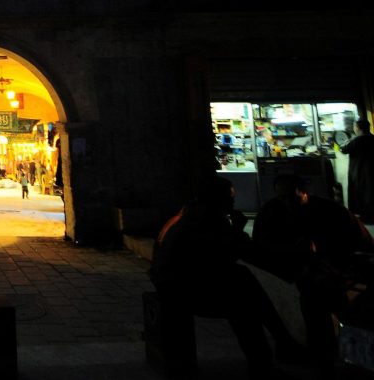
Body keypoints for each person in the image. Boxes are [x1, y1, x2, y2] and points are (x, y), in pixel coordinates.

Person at [150, 176, 308, 377]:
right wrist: (237, 229)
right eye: (229, 197)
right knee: (243, 301)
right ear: (217, 198)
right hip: (181, 289)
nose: (233, 202)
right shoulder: (207, 219)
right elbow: (239, 252)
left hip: (174, 283)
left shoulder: (188, 215)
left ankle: (279, 345)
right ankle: (271, 354)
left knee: (242, 284)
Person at [253, 174, 373, 366]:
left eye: (292, 197)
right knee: (320, 301)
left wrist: (327, 260)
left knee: (321, 300)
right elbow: (261, 249)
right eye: (283, 198)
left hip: (329, 270)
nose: (287, 203)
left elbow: (359, 241)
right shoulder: (272, 213)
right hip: (299, 273)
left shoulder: (328, 211)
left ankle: (334, 354)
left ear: (304, 193)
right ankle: (334, 354)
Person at [343, 118, 374, 222]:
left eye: (354, 126)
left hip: (359, 172)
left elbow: (343, 150)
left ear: (357, 128)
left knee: (361, 194)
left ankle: (364, 217)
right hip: (371, 172)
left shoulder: (355, 141)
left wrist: (344, 142)